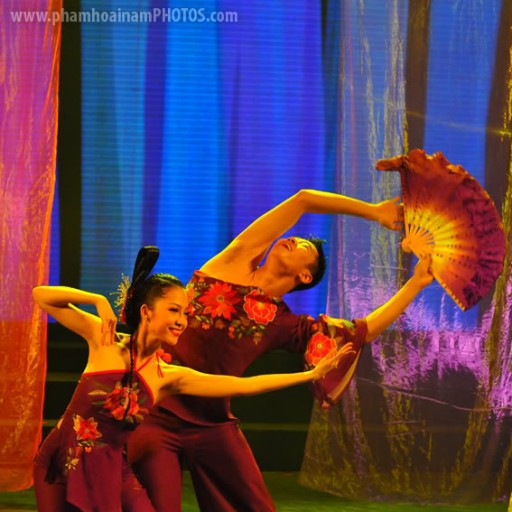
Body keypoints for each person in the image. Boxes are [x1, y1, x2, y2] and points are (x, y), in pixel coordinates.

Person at [127, 190, 434, 512]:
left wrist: (414, 284)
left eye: (303, 246)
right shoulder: (233, 260)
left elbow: (361, 331)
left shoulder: (285, 324)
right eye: (293, 237)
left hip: (211, 421)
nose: (291, 239)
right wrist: (374, 211)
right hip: (154, 407)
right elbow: (303, 200)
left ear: (306, 275)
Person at [32, 246, 354, 512]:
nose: (182, 321)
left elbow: (245, 386)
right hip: (60, 462)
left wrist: (311, 374)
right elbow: (41, 295)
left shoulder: (168, 377)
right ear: (146, 311)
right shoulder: (104, 341)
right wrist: (97, 301)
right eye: (174, 311)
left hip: (112, 471)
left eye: (186, 313)